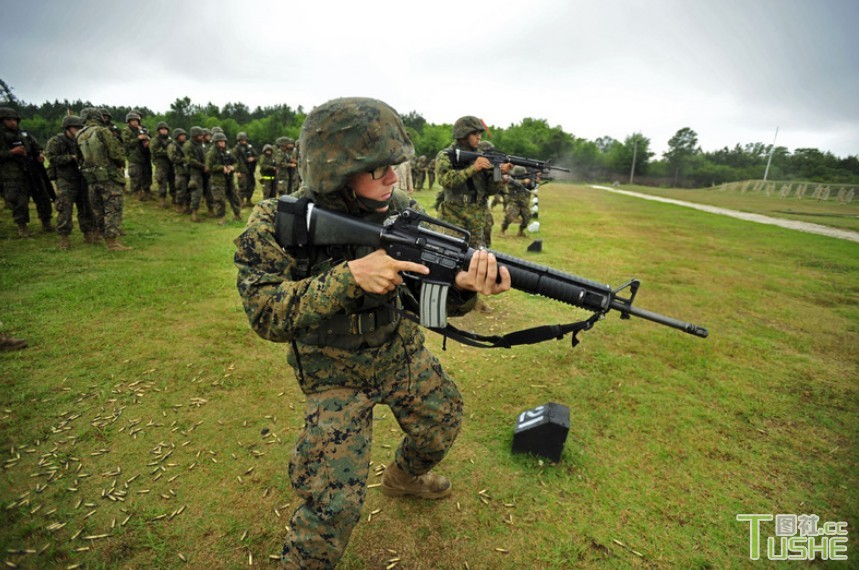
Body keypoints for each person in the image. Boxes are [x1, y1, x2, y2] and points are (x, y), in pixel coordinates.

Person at [234, 97, 510, 569]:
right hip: (334, 373)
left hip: (399, 354)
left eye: (393, 166)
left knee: (442, 424)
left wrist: (461, 285)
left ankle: (402, 478)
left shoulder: (401, 209)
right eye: (378, 169)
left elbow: (428, 289)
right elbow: (264, 312)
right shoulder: (276, 222)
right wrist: (348, 278)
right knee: (332, 506)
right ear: (335, 170)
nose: (392, 179)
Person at [435, 116, 510, 249]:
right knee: (451, 253)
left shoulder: (483, 156)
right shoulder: (446, 156)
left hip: (478, 216)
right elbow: (446, 180)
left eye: (480, 134)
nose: (479, 137)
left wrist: (499, 173)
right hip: (453, 215)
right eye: (475, 134)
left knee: (477, 257)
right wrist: (473, 168)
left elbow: (490, 190)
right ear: (462, 134)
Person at [76, 107, 131, 251]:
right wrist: (120, 163)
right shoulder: (102, 131)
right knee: (113, 208)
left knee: (98, 210)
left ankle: (104, 238)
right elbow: (116, 153)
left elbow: (80, 159)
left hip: (91, 178)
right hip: (108, 176)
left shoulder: (79, 135)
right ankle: (112, 243)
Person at [45, 115, 98, 249]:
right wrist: (70, 158)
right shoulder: (56, 141)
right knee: (65, 209)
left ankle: (88, 233)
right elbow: (52, 158)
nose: (79, 130)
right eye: (76, 128)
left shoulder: (83, 140)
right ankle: (64, 237)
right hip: (65, 179)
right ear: (68, 128)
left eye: (81, 127)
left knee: (87, 208)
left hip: (82, 178)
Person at [0, 107, 55, 236]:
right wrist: (11, 152)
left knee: (43, 197)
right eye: (9, 120)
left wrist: (39, 155)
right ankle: (22, 227)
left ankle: (46, 222)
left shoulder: (24, 134)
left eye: (14, 120)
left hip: (32, 170)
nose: (13, 122)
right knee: (20, 202)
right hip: (14, 174)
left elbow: (36, 147)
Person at [205, 132, 241, 224]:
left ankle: (237, 215)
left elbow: (236, 162)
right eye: (220, 142)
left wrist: (233, 167)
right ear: (216, 142)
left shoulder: (227, 152)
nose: (222, 143)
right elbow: (209, 167)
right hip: (218, 180)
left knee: (234, 197)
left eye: (223, 141)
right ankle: (221, 218)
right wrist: (222, 168)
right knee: (219, 200)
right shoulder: (211, 153)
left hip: (229, 179)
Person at [121, 111, 152, 200]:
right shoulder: (126, 131)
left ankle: (145, 192)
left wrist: (147, 141)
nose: (135, 122)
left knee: (145, 175)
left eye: (136, 120)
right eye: (133, 121)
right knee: (135, 176)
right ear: (129, 121)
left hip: (144, 156)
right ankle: (135, 194)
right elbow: (126, 143)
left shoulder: (141, 129)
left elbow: (149, 137)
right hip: (134, 157)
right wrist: (138, 138)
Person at [501, 165, 533, 237]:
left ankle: (521, 231)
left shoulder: (526, 180)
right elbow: (516, 184)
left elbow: (531, 187)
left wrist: (533, 181)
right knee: (509, 218)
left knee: (527, 218)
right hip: (515, 203)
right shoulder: (510, 180)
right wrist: (523, 181)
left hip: (524, 203)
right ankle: (503, 230)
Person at [183, 126, 207, 222]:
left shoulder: (200, 145)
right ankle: (194, 215)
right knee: (195, 193)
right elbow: (190, 160)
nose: (202, 137)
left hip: (201, 172)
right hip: (194, 172)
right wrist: (203, 166)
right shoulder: (189, 145)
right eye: (200, 135)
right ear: (194, 136)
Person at [150, 121, 176, 208]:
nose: (164, 131)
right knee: (162, 182)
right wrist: (168, 152)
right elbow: (155, 151)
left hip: (171, 164)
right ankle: (162, 200)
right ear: (158, 130)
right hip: (161, 164)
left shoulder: (170, 140)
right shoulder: (155, 140)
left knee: (173, 182)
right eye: (162, 129)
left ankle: (174, 198)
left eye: (165, 129)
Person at [232, 132, 258, 207]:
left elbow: (257, 156)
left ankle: (249, 200)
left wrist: (253, 158)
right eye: (242, 140)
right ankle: (241, 201)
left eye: (245, 139)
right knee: (242, 186)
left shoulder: (249, 147)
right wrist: (237, 171)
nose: (244, 141)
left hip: (250, 170)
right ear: (239, 140)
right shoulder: (236, 149)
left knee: (251, 186)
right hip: (242, 170)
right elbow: (234, 160)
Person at [168, 128, 189, 214]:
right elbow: (172, 157)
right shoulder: (172, 146)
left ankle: (187, 206)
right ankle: (179, 206)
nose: (183, 137)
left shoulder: (187, 145)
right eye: (181, 135)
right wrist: (184, 159)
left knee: (189, 190)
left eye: (184, 135)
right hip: (180, 170)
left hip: (188, 171)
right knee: (180, 189)